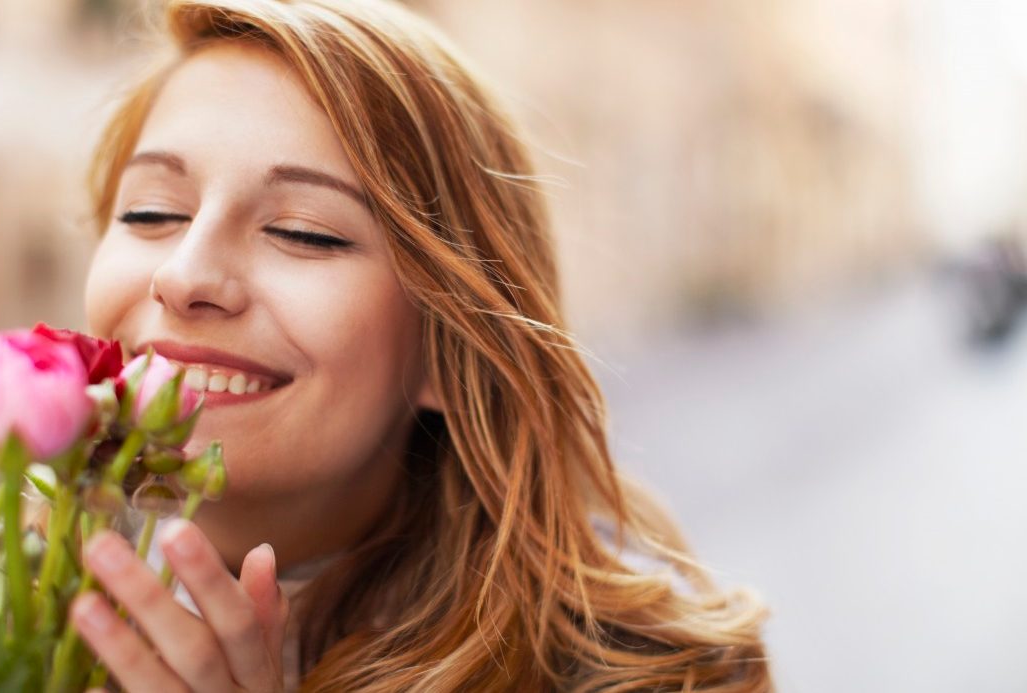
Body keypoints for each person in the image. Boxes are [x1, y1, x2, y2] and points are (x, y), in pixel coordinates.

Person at [69, 0, 773, 690]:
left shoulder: (664, 678)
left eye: (304, 230)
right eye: (150, 212)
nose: (185, 274)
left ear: (450, 343)